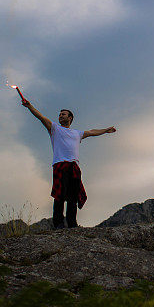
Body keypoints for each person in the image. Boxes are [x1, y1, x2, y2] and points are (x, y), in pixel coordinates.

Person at [20, 97, 116, 229]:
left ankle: (72, 224)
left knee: (73, 197)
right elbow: (41, 117)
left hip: (74, 166)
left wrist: (105, 130)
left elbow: (92, 132)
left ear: (70, 118)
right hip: (60, 165)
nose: (60, 116)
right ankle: (58, 224)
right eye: (59, 115)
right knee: (59, 195)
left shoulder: (77, 133)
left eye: (63, 114)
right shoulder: (54, 129)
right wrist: (30, 106)